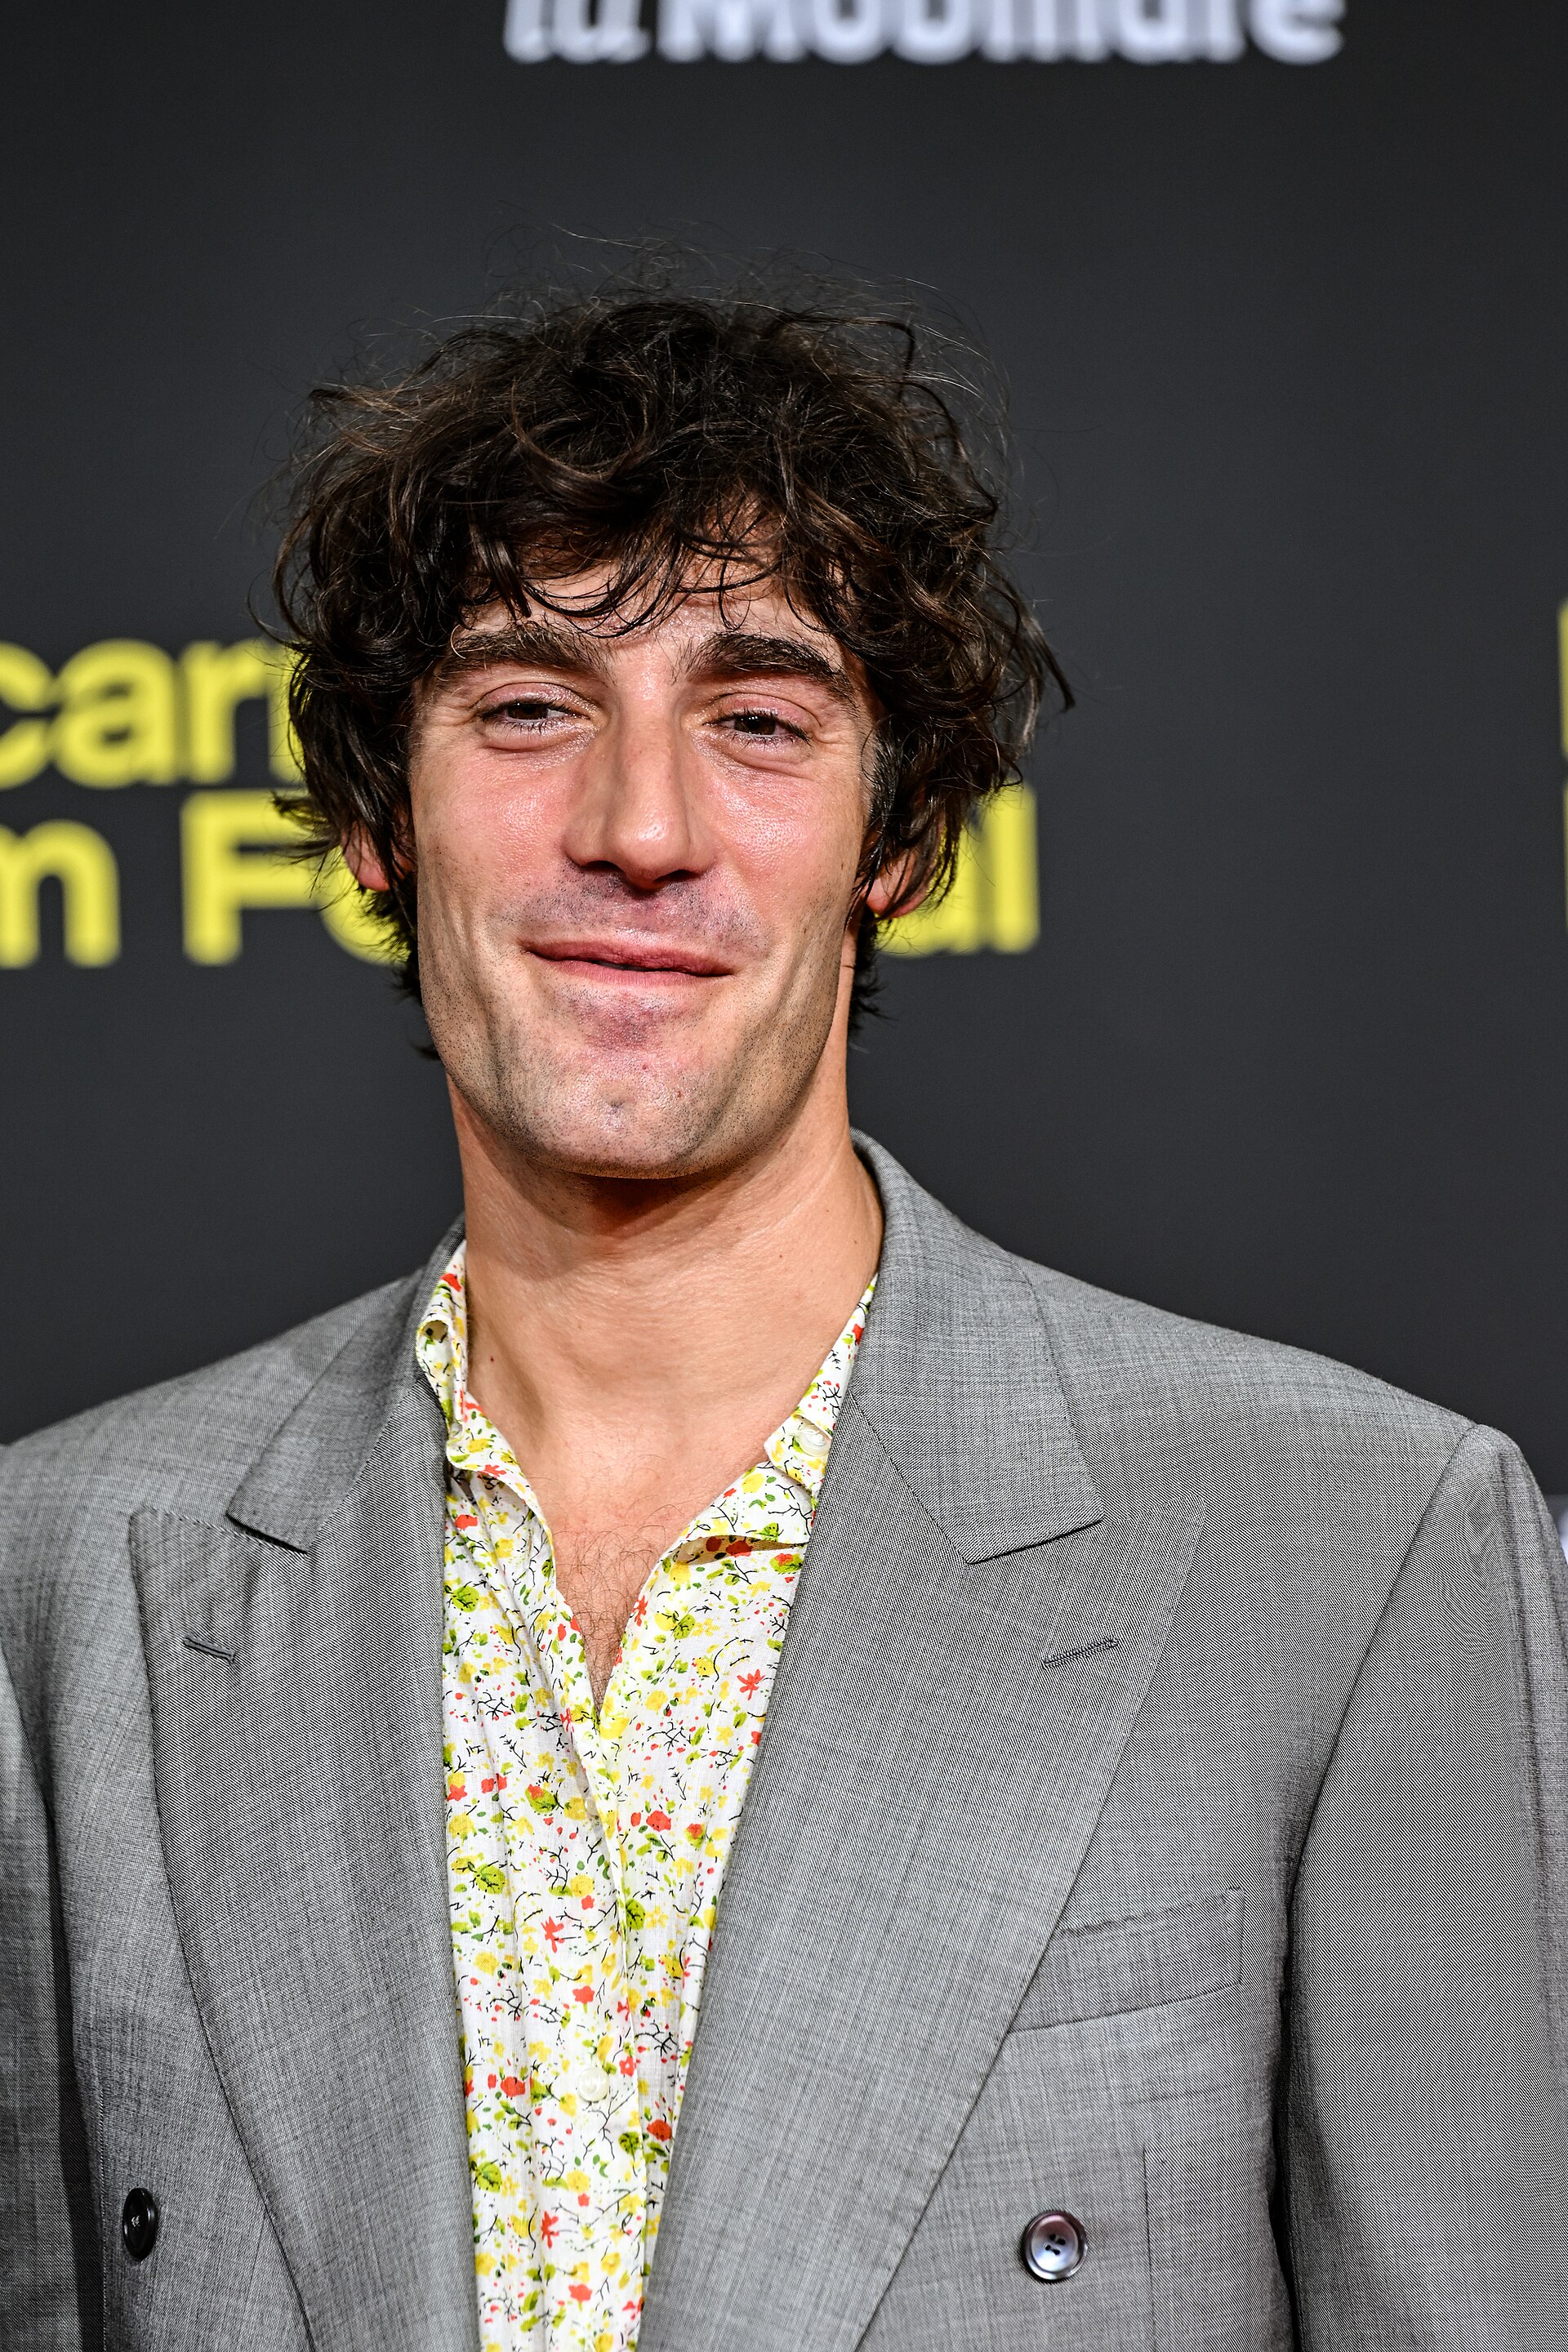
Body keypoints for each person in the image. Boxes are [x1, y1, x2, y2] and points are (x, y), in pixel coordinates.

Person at [2, 287, 1566, 2352]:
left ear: (895, 837)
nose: (639, 830)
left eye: (757, 720)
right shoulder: (65, 1579)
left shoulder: (1356, 1550)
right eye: (528, 706)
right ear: (379, 820)